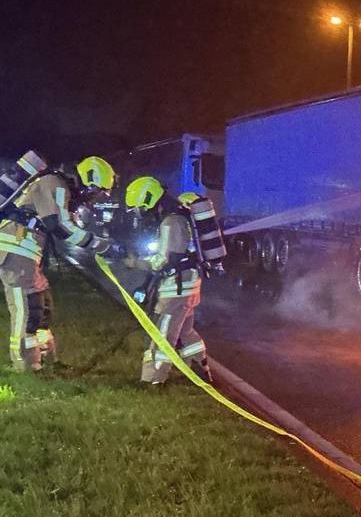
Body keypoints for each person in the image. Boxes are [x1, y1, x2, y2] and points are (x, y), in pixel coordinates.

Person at [0, 152, 114, 371]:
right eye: (95, 192)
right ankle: (25, 366)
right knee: (26, 307)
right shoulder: (55, 183)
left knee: (42, 305)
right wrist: (101, 245)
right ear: (89, 182)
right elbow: (59, 226)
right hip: (16, 249)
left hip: (26, 250)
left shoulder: (57, 186)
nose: (93, 198)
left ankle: (45, 360)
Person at [123, 177, 212, 384]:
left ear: (148, 202)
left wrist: (135, 262)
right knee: (185, 332)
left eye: (139, 209)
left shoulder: (170, 222)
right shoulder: (181, 216)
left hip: (176, 289)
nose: (141, 214)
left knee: (161, 336)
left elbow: (162, 261)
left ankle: (153, 381)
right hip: (189, 285)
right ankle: (201, 370)